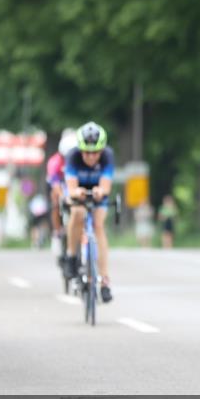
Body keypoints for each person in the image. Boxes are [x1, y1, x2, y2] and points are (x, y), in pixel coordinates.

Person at [62, 122, 115, 303]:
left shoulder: (107, 156)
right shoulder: (72, 157)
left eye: (95, 152)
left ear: (101, 150)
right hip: (79, 191)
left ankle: (105, 281)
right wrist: (76, 192)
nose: (91, 157)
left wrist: (101, 191)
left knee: (99, 226)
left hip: (98, 192)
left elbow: (106, 185)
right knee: (77, 214)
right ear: (80, 150)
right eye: (87, 152)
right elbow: (71, 186)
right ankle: (70, 255)